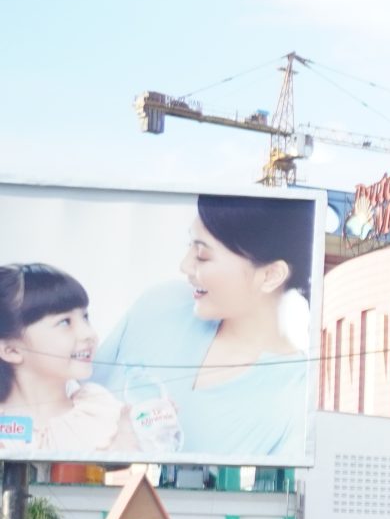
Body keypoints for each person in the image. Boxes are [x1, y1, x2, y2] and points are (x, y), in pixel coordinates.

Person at [93, 193, 314, 458]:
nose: (184, 266)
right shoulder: (159, 305)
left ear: (270, 275)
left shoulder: (297, 395)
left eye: (202, 255)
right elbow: (64, 407)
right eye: (190, 246)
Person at [0, 262, 142, 454]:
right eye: (65, 322)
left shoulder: (104, 413)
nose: (88, 334)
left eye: (85, 317)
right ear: (12, 350)